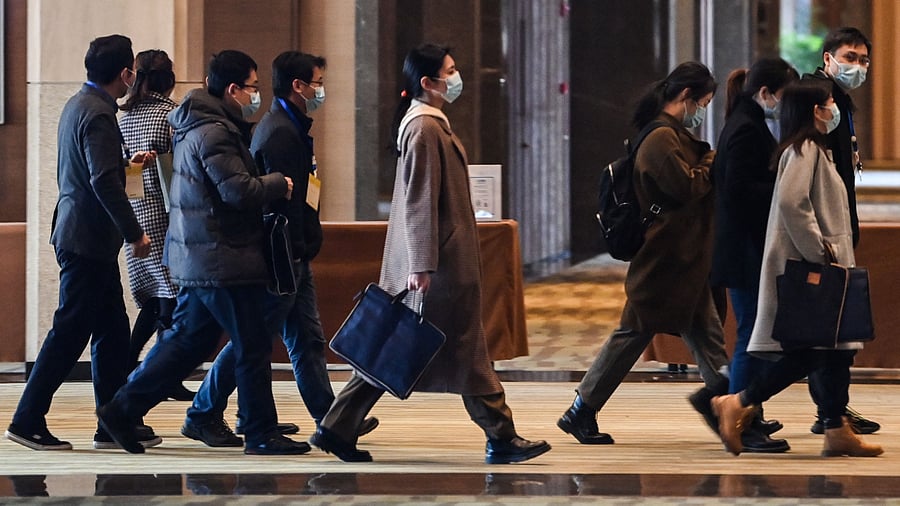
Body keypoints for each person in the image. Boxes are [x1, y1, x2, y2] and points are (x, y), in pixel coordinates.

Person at [309, 43, 551, 465]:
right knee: (457, 350)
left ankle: (336, 427)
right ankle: (502, 437)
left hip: (440, 260)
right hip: (439, 265)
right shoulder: (424, 129)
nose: (457, 78)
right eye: (450, 71)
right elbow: (420, 201)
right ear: (428, 82)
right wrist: (422, 264)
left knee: (409, 346)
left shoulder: (430, 125)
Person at [95, 50, 309, 456]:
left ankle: (122, 410)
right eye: (252, 87)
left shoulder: (203, 125)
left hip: (202, 255)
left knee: (187, 342)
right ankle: (261, 432)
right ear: (232, 89)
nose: (255, 95)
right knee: (251, 343)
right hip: (219, 256)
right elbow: (237, 190)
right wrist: (278, 183)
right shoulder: (214, 132)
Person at [182, 50, 377, 447]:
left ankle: (332, 419)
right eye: (318, 82)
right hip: (282, 256)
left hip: (294, 253)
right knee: (254, 340)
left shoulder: (290, 126)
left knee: (305, 339)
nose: (322, 90)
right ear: (298, 85)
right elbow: (278, 202)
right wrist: (295, 249)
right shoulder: (279, 132)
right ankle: (204, 411)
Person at [557, 62, 731, 445]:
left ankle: (733, 408)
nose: (701, 111)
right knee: (634, 333)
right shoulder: (660, 139)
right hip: (664, 259)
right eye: (702, 102)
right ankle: (581, 409)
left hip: (682, 258)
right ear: (684, 97)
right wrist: (711, 160)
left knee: (707, 335)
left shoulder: (670, 135)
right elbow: (685, 188)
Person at [711, 80, 883, 458]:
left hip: (828, 264)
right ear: (814, 111)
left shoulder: (814, 149)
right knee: (814, 351)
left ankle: (836, 429)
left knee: (838, 349)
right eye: (828, 103)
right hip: (817, 268)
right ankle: (739, 402)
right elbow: (792, 203)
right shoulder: (804, 149)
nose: (833, 108)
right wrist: (818, 250)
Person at [4, 34, 157, 451]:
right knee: (71, 332)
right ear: (125, 73)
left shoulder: (80, 105)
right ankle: (27, 419)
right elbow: (102, 181)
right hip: (87, 239)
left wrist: (127, 164)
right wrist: (135, 232)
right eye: (133, 72)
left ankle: (113, 421)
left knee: (111, 330)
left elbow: (97, 170)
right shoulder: (99, 114)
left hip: (84, 236)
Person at [709, 58, 799, 453]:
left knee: (755, 335)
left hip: (742, 248)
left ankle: (744, 411)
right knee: (751, 337)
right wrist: (781, 187)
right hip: (745, 251)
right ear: (765, 94)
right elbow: (739, 191)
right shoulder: (747, 129)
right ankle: (741, 420)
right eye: (784, 96)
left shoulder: (747, 123)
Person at [802, 26, 880, 436]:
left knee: (834, 328)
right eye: (850, 57)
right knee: (826, 330)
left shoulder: (842, 100)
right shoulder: (816, 96)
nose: (858, 66)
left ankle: (835, 410)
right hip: (823, 230)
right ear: (829, 57)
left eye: (864, 60)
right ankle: (830, 413)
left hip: (841, 221)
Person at [118, 49, 194, 402]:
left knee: (154, 295)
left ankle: (131, 364)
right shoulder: (172, 115)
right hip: (165, 213)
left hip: (132, 211)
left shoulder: (123, 116)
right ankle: (162, 371)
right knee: (169, 293)